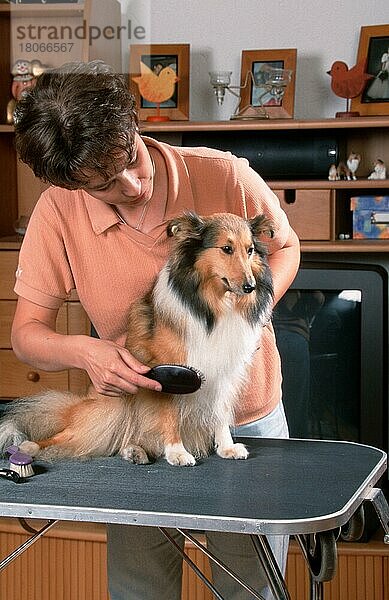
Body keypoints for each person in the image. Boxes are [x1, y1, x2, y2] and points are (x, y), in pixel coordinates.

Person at [11, 60, 300, 600]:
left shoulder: (224, 174)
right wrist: (87, 353)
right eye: (103, 186)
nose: (132, 185)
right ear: (71, 183)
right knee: (142, 592)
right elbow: (27, 334)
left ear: (134, 127)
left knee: (252, 590)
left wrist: (251, 310)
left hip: (243, 421)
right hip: (141, 428)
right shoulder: (59, 210)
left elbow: (286, 247)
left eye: (131, 159)